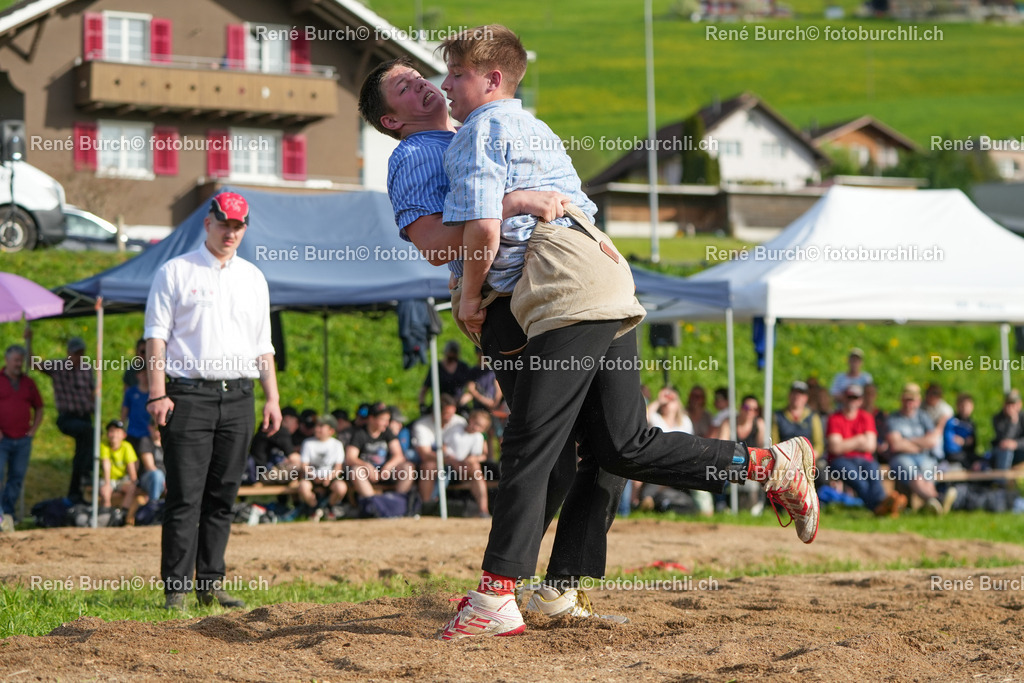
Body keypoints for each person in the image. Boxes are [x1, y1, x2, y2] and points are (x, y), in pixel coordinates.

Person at [433, 25, 819, 639]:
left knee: (535, 440)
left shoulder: (482, 130)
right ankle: (770, 465)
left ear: (493, 78)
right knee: (621, 445)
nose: (447, 86)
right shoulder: (531, 127)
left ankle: (494, 598)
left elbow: (480, 231)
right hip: (603, 272)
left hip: (564, 285)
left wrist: (469, 298)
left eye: (456, 73)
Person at [359, 55, 630, 624]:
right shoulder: (412, 155)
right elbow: (436, 244)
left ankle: (547, 585)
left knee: (601, 446)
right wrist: (513, 203)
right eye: (404, 88)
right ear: (391, 121)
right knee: (547, 445)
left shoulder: (475, 130)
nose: (424, 84)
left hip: (546, 289)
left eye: (420, 75)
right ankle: (506, 587)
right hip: (503, 306)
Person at [145, 191, 282, 610]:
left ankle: (210, 581)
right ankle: (176, 590)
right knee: (185, 495)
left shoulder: (253, 277)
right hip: (188, 395)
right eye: (224, 223)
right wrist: (157, 392)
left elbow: (263, 344)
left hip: (239, 395)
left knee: (223, 495)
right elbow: (157, 336)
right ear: (208, 223)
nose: (231, 231)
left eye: (238, 225)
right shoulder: (175, 271)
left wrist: (272, 398)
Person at [27, 333, 95, 503]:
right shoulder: (58, 366)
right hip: (68, 418)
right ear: (68, 353)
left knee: (82, 454)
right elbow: (33, 364)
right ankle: (86, 475)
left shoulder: (87, 369)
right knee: (88, 434)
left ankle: (76, 491)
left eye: (80, 353)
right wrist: (29, 342)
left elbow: (93, 392)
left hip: (85, 417)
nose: (77, 357)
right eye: (75, 354)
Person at [826, 385, 904, 516]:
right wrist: (859, 439)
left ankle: (882, 506)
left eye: (855, 397)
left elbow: (870, 446)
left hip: (865, 459)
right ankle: (881, 507)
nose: (852, 400)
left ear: (860, 400)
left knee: (874, 477)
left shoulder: (866, 417)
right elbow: (836, 448)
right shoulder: (835, 418)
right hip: (840, 461)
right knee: (859, 481)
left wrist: (847, 443)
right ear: (843, 399)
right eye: (849, 397)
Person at [0, 341, 43, 531]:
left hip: (23, 440)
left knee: (16, 478)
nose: (19, 364)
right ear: (7, 360)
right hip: (2, 439)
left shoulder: (28, 383)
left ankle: (8, 513)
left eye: (21, 360)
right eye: (16, 360)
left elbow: (40, 407)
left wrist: (33, 430)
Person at [886, 383, 947, 513]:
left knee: (927, 474)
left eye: (912, 399)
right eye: (907, 399)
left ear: (918, 401)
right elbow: (896, 445)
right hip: (901, 458)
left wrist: (907, 441)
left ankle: (931, 505)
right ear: (901, 399)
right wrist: (920, 444)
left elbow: (932, 441)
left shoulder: (923, 417)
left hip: (923, 457)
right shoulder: (894, 418)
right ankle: (938, 500)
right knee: (917, 477)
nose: (909, 403)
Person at [346, 402, 415, 500]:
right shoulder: (359, 433)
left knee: (408, 467)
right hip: (367, 473)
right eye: (383, 419)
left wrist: (388, 467)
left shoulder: (387, 432)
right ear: (371, 418)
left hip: (386, 472)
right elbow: (350, 458)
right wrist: (367, 466)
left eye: (388, 420)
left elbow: (399, 455)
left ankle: (398, 501)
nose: (386, 423)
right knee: (356, 471)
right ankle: (373, 503)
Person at [410, 394, 467, 504]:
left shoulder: (460, 422)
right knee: (429, 466)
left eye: (453, 413)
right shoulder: (421, 425)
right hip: (435, 462)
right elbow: (425, 454)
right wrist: (448, 460)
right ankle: (426, 505)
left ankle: (482, 509)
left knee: (475, 468)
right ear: (436, 412)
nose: (451, 417)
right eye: (447, 414)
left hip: (458, 461)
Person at [442, 409, 493, 516]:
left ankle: (483, 510)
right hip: (446, 465)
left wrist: (469, 461)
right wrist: (452, 460)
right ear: (470, 419)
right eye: (476, 423)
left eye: (480, 426)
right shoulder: (455, 428)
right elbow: (443, 446)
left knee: (476, 470)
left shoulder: (478, 437)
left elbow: (476, 456)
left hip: (463, 469)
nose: (476, 427)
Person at [297, 414, 348, 521]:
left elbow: (338, 468)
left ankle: (328, 508)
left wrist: (329, 478)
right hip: (312, 477)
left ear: (331, 431)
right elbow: (304, 465)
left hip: (329, 478)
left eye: (321, 426)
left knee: (341, 488)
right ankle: (314, 508)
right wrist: (314, 476)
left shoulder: (337, 444)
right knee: (303, 486)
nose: (317, 429)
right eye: (317, 426)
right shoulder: (308, 443)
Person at [99, 420, 138, 522]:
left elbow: (131, 468)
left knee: (131, 487)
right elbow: (106, 465)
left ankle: (122, 514)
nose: (113, 434)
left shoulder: (126, 446)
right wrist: (107, 484)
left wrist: (134, 482)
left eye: (117, 431)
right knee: (105, 490)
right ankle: (106, 514)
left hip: (121, 480)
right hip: (109, 479)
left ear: (123, 435)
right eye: (111, 431)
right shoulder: (104, 445)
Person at [773, 381, 824, 456]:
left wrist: (810, 457)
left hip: (806, 458)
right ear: (789, 395)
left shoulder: (813, 417)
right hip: (784, 458)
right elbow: (774, 442)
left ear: (806, 398)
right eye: (794, 393)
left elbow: (819, 444)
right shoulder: (778, 416)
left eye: (801, 394)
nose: (797, 396)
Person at [419, 340, 472, 409]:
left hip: (459, 404)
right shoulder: (437, 367)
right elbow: (424, 388)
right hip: (441, 404)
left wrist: (464, 399)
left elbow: (471, 387)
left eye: (454, 353)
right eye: (450, 352)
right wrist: (422, 405)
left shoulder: (463, 367)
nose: (452, 355)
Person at [991, 389, 1024, 472]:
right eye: (1008, 403)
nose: (1010, 407)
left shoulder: (1023, 416)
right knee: (1006, 450)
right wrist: (1013, 422)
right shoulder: (998, 418)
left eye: (1013, 404)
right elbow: (1004, 440)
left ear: (1019, 404)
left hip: (1019, 449)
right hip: (1002, 452)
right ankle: (1003, 482)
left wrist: (1016, 444)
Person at [943, 393, 977, 470]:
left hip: (967, 455)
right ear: (957, 406)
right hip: (954, 456)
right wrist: (966, 442)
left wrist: (963, 442)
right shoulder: (952, 422)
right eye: (962, 406)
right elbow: (950, 445)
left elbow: (973, 444)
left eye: (968, 406)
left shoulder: (971, 424)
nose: (965, 409)